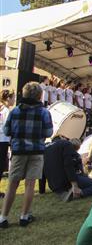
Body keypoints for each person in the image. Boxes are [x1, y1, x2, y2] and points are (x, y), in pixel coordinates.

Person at [0, 82, 53, 228]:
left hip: (18, 151)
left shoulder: (15, 111)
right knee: (30, 184)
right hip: (36, 151)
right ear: (39, 96)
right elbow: (49, 133)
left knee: (12, 184)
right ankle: (24, 216)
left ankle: (3, 217)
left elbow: (6, 131)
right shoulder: (44, 112)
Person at [0, 90, 14, 198]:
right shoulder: (6, 110)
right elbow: (7, 127)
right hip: (3, 140)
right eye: (13, 97)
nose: (14, 100)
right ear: (8, 98)